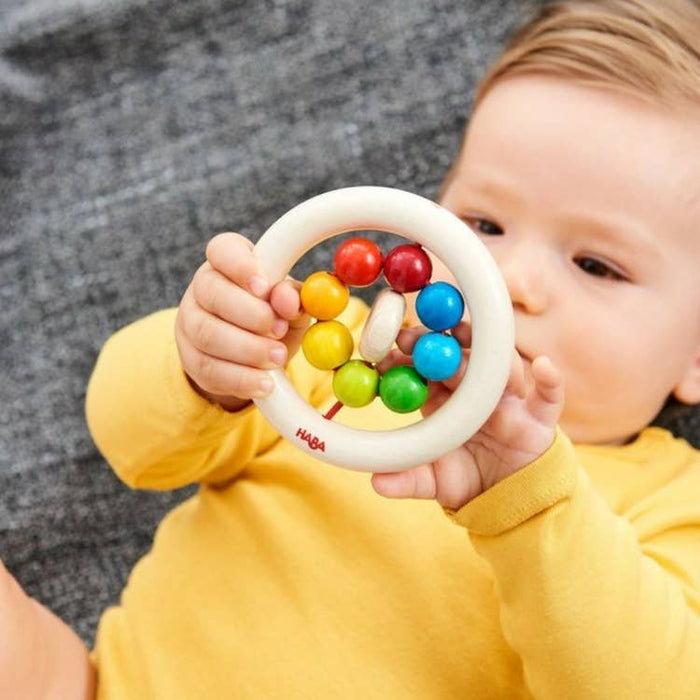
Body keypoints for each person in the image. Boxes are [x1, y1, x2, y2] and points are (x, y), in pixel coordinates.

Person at [3, 0, 700, 697]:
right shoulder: (326, 356)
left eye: (597, 266)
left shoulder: (671, 501)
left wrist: (530, 501)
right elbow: (129, 444)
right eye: (483, 224)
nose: (508, 280)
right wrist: (204, 365)